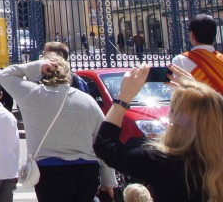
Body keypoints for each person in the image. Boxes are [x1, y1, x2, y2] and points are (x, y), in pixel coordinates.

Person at [93, 63, 223, 202]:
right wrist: (202, 95)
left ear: (173, 119)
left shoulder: (161, 161)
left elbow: (104, 145)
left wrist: (123, 98)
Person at [0, 54, 115, 202]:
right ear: (68, 74)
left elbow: (4, 75)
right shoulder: (88, 101)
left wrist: (38, 66)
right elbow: (103, 142)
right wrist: (108, 182)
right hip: (86, 170)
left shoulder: (32, 94)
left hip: (49, 171)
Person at [171, 14, 223, 94]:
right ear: (214, 36)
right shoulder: (220, 60)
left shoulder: (180, 61)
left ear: (192, 35)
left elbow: (175, 92)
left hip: (192, 106)